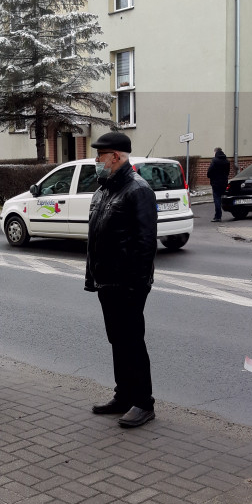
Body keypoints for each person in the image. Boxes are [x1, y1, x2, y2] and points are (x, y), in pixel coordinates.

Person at [85, 131, 158, 429]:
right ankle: (123, 395)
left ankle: (143, 402)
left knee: (131, 341)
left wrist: (136, 284)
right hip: (107, 280)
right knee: (117, 339)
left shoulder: (137, 190)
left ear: (116, 157)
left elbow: (145, 244)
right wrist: (93, 276)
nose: (96, 161)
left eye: (100, 156)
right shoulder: (104, 189)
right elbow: (95, 237)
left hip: (128, 283)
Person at [206, 147, 231, 222]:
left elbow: (210, 171)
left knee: (217, 198)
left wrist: (210, 176)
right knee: (222, 197)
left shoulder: (214, 161)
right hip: (224, 182)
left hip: (215, 182)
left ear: (215, 152)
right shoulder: (227, 161)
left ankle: (218, 216)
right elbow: (227, 172)